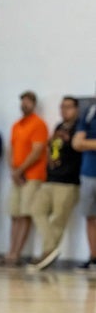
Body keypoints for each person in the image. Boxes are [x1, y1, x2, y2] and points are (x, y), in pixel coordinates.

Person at [29, 97, 81, 270]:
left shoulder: (80, 128)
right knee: (36, 210)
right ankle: (51, 249)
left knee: (58, 220)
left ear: (77, 109)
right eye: (62, 107)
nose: (64, 110)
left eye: (68, 107)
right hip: (51, 178)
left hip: (68, 181)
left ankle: (46, 254)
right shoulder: (59, 127)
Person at [2, 91, 48, 266]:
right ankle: (10, 250)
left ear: (34, 104)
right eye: (22, 101)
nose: (24, 105)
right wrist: (13, 170)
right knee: (14, 214)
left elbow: (37, 151)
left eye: (28, 102)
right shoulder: (17, 125)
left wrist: (21, 170)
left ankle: (18, 253)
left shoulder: (38, 124)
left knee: (24, 214)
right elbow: (11, 149)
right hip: (17, 176)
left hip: (32, 175)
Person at [72, 102, 96, 270]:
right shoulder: (90, 112)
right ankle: (94, 257)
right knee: (90, 216)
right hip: (88, 173)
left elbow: (83, 142)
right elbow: (77, 143)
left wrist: (87, 142)